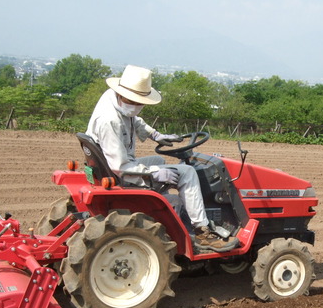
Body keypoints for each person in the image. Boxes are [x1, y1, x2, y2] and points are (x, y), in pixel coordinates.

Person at [86, 64, 238, 253]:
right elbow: (120, 165)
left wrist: (156, 135)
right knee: (188, 172)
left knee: (160, 162)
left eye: (140, 101)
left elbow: (134, 119)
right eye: (135, 101)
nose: (138, 106)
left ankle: (180, 213)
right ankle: (202, 231)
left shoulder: (113, 99)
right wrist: (154, 174)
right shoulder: (109, 120)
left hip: (109, 167)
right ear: (124, 95)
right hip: (121, 173)